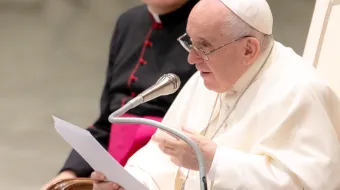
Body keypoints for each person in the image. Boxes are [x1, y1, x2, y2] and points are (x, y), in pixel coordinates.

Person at [90, 0, 340, 189]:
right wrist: (127, 180)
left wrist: (213, 161)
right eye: (190, 42)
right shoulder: (206, 78)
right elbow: (161, 152)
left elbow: (304, 185)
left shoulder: (300, 92)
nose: (191, 58)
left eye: (205, 47)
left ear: (248, 50)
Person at [41, 0, 199, 189]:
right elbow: (107, 122)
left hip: (170, 169)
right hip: (112, 167)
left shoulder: (206, 23)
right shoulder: (129, 22)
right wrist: (69, 172)